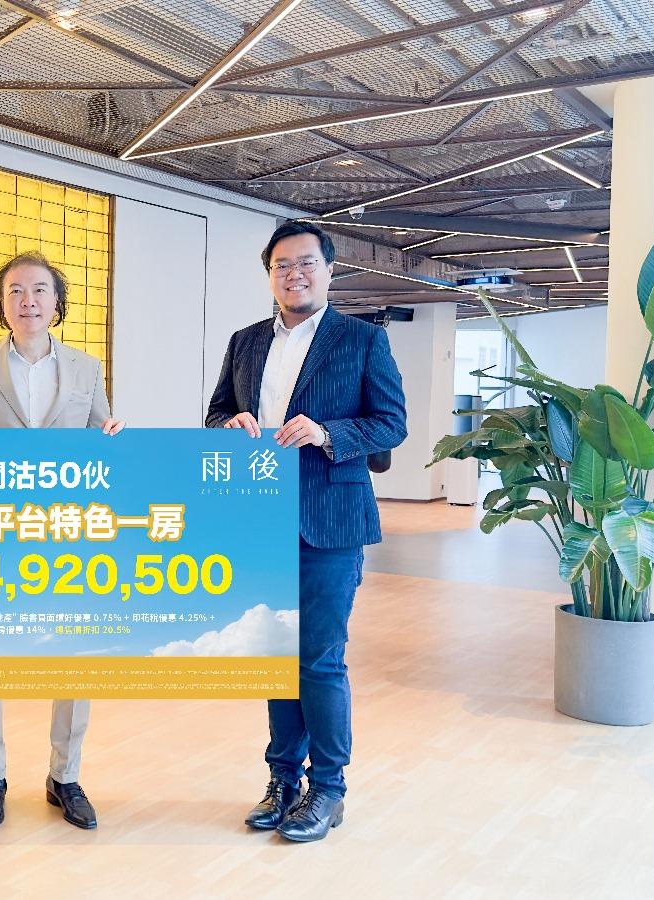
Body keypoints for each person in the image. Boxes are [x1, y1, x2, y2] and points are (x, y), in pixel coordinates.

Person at [205, 222, 406, 843]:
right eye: (282, 265)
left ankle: (329, 789)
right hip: (260, 517)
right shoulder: (245, 342)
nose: (294, 273)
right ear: (270, 275)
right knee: (276, 656)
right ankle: (282, 780)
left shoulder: (363, 339)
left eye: (307, 263)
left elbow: (391, 424)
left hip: (331, 521)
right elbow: (214, 413)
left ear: (329, 269)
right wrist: (229, 424)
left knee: (318, 659)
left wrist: (326, 433)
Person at [0, 251, 124, 831]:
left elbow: (102, 434)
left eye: (39, 290)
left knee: (74, 653)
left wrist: (114, 436)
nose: (28, 300)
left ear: (56, 302)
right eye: (15, 291)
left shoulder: (86, 368)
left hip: (67, 532)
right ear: (2, 304)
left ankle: (64, 776)